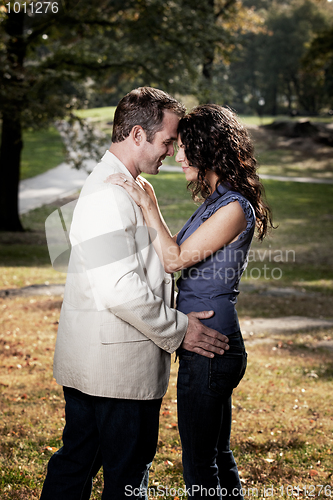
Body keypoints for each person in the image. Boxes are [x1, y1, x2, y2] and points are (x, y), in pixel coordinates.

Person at [40, 89, 230, 500]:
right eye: (167, 142)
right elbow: (120, 288)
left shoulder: (132, 185)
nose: (171, 152)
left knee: (75, 465)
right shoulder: (108, 193)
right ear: (139, 135)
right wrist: (182, 331)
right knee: (124, 479)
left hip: (105, 368)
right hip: (113, 372)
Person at [108, 104, 273, 499]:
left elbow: (174, 259)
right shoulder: (217, 200)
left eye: (184, 147)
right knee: (215, 453)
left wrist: (148, 204)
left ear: (208, 148)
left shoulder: (234, 206)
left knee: (200, 463)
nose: (177, 156)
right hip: (208, 340)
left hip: (212, 343)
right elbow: (178, 255)